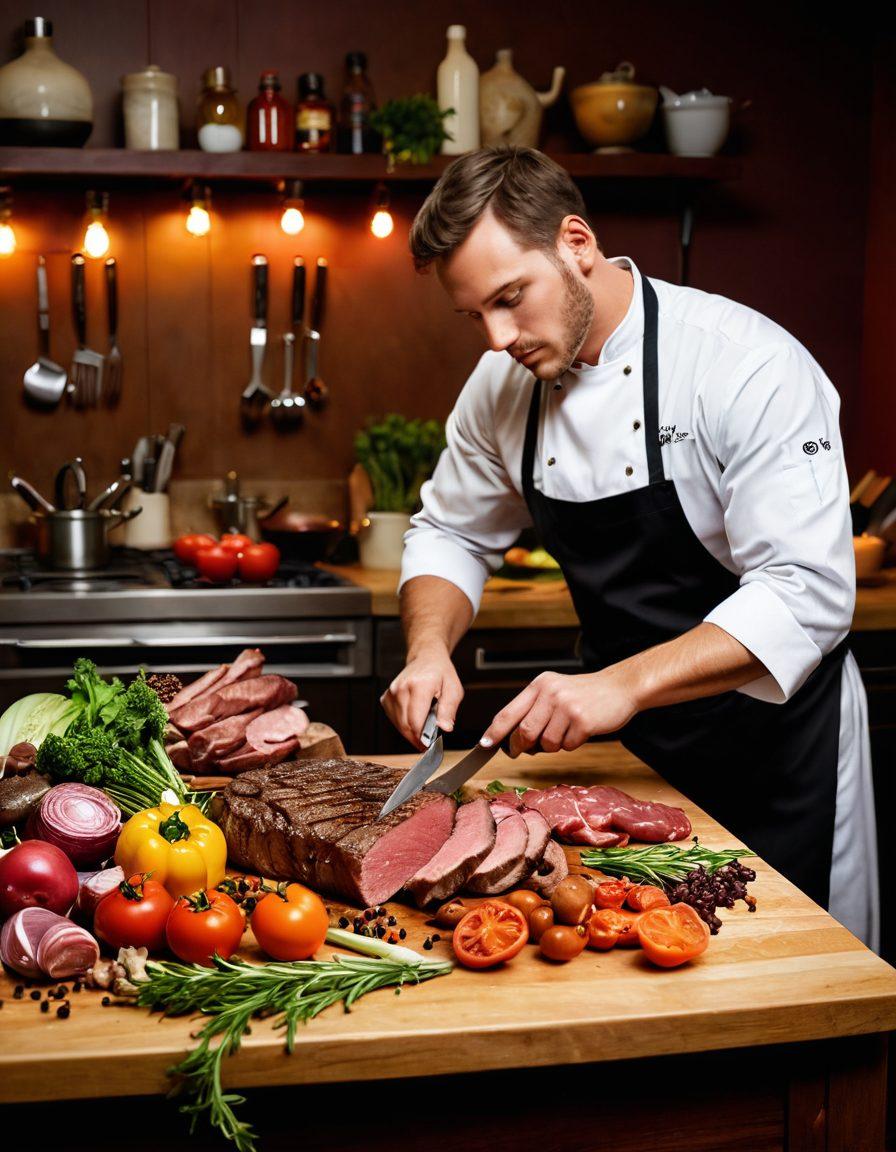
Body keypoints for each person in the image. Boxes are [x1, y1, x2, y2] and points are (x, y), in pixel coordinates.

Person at [380, 146, 878, 951]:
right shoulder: (501, 386)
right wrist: (429, 647)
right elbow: (451, 530)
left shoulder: (743, 364)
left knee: (789, 980)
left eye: (512, 298)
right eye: (477, 315)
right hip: (632, 756)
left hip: (777, 750)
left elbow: (808, 592)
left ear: (576, 244)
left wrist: (625, 683)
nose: (500, 337)